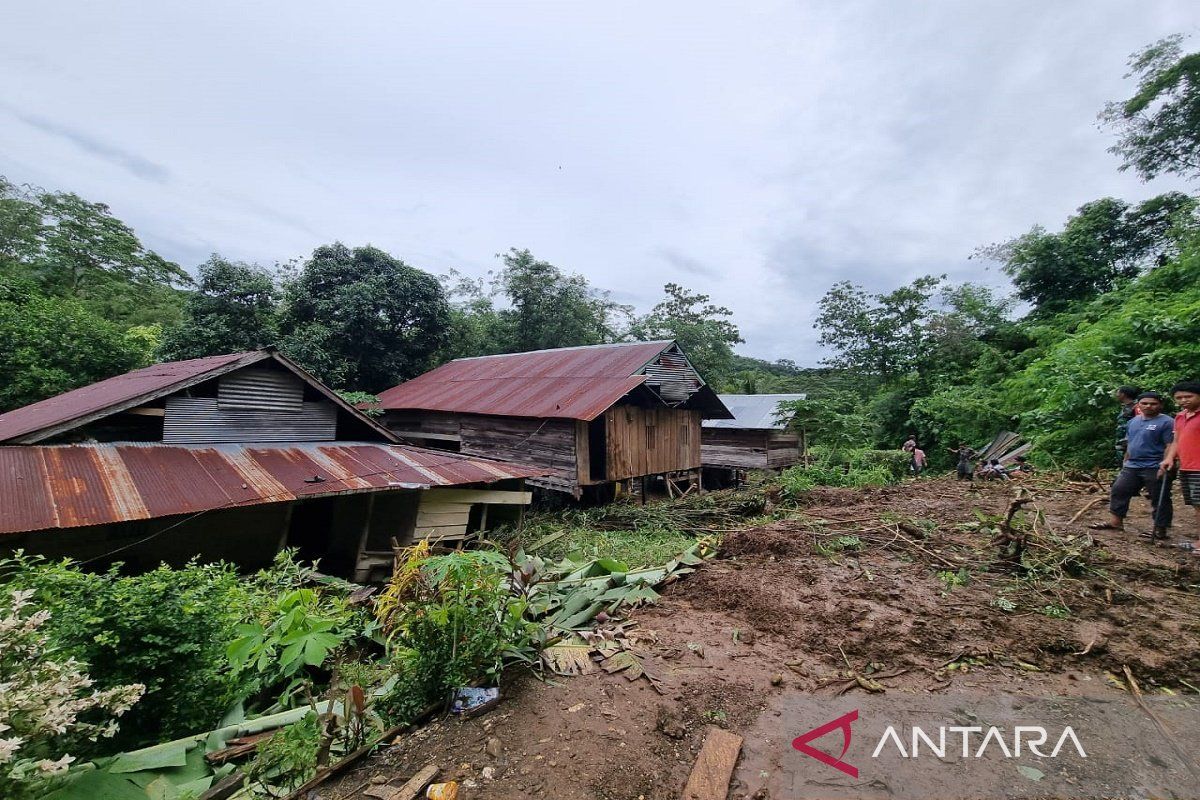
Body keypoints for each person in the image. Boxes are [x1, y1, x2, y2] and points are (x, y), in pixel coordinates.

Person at [1092, 392, 1174, 539]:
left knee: (1159, 496)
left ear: (1160, 405)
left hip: (1155, 464)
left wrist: (1167, 461)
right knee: (1119, 489)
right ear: (1138, 405)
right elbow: (1131, 443)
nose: (1148, 406)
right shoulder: (1133, 422)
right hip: (1133, 464)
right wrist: (1125, 461)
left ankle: (1160, 529)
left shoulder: (1167, 422)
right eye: (1144, 403)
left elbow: (1170, 444)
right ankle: (1116, 522)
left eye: (1153, 403)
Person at [1162, 380, 1200, 555]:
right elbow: (1177, 440)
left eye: (1188, 396)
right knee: (1195, 505)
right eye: (1179, 398)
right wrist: (1169, 458)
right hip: (1188, 467)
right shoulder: (1180, 416)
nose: (1184, 400)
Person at [1115, 386, 1142, 465]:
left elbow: (1141, 422)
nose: (1116, 395)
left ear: (1123, 394)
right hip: (1122, 441)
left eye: (1118, 392)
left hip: (1130, 441)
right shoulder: (1125, 407)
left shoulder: (1136, 407)